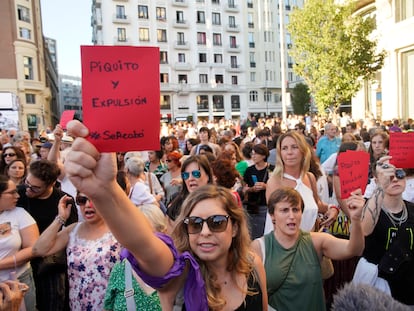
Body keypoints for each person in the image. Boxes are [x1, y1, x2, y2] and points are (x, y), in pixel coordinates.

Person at [64, 120, 268, 310]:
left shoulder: (252, 265)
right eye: (195, 224)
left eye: (216, 222)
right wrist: (105, 190)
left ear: (234, 227)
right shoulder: (180, 272)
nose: (205, 232)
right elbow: (142, 243)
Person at [251, 187, 364, 311]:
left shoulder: (317, 242)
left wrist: (356, 219)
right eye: (284, 210)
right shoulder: (259, 247)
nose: (291, 216)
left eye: (296, 209)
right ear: (272, 216)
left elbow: (354, 249)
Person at [32, 193, 120, 310]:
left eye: (94, 199)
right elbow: (39, 249)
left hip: (111, 305)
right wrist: (60, 218)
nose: (88, 205)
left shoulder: (118, 231)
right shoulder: (73, 230)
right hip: (78, 305)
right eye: (82, 200)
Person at [17, 160, 78, 311]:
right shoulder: (18, 194)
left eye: (35, 188)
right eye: (27, 182)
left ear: (50, 185)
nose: (28, 189)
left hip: (50, 267)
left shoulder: (64, 201)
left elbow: (72, 234)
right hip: (22, 262)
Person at [353, 157, 414, 305]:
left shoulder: (412, 210)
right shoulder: (369, 208)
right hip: (378, 294)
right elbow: (365, 230)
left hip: (409, 292)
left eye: (399, 174)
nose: (394, 180)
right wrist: (380, 184)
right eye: (388, 177)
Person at [265, 132, 337, 233]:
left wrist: (332, 208)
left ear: (303, 151)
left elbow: (316, 205)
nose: (289, 152)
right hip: (284, 245)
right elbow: (275, 221)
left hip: (310, 243)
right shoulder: (274, 182)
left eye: (294, 147)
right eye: (284, 148)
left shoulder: (309, 177)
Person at [104, 203, 164, 311]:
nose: (139, 241)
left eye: (145, 235)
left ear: (163, 233)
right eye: (134, 234)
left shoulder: (177, 272)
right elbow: (107, 308)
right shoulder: (120, 269)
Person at [0, 175, 39, 311]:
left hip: (19, 280)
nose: (17, 196)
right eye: (12, 192)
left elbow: (33, 248)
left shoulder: (19, 214)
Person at [165, 155, 214, 225]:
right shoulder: (176, 203)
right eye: (186, 175)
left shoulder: (219, 202)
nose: (190, 178)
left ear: (208, 176)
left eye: (196, 174)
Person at [243, 144, 270, 239]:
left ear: (263, 156)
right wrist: (251, 189)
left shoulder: (271, 170)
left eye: (256, 154)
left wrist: (266, 186)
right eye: (252, 154)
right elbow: (244, 189)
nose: (253, 156)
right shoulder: (249, 170)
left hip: (265, 205)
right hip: (252, 206)